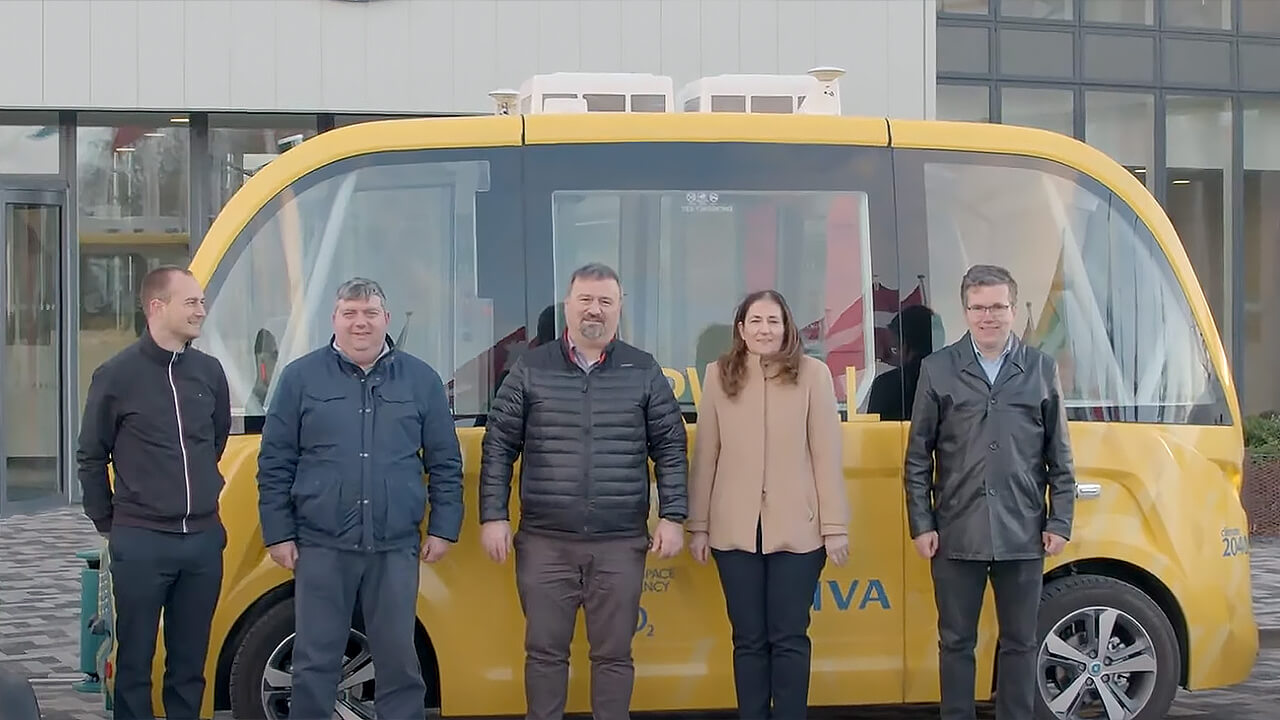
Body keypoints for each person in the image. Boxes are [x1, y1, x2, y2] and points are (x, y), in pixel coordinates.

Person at [478, 262, 688, 720]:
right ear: (568, 306)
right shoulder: (530, 368)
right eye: (586, 301)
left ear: (619, 309)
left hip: (618, 542)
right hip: (545, 542)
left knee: (613, 657)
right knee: (545, 655)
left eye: (605, 301)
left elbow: (670, 446)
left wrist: (673, 516)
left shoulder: (643, 369)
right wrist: (493, 516)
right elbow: (499, 446)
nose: (595, 310)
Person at [256, 277, 464, 720]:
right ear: (334, 320)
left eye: (370, 313)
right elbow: (275, 462)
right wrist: (277, 533)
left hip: (394, 548)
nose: (360, 323)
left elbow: (445, 462)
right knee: (314, 661)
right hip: (322, 545)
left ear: (386, 319)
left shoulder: (420, 380)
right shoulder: (300, 379)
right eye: (350, 313)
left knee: (399, 662)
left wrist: (445, 527)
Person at [903, 264, 1076, 720]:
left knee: (1020, 642)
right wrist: (922, 524)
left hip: (1024, 533)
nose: (988, 317)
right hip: (955, 532)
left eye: (997, 307)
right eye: (978, 308)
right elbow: (918, 457)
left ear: (1013, 310)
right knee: (956, 642)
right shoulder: (937, 369)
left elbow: (1060, 454)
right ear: (965, 311)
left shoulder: (1039, 368)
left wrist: (1060, 521)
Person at [687, 289, 850, 720]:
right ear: (741, 329)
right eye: (755, 321)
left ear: (786, 327)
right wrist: (698, 526)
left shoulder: (813, 374)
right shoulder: (718, 374)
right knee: (748, 640)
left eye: (773, 321)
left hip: (799, 531)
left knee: (790, 637)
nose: (765, 329)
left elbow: (825, 454)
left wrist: (834, 527)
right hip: (732, 530)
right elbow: (706, 454)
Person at [77, 265, 231, 720]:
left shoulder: (209, 372)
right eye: (191, 302)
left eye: (202, 302)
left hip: (202, 542)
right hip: (141, 541)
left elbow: (214, 440)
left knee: (189, 666)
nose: (201, 310)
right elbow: (90, 456)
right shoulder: (116, 376)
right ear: (157, 307)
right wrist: (111, 525)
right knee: (135, 663)